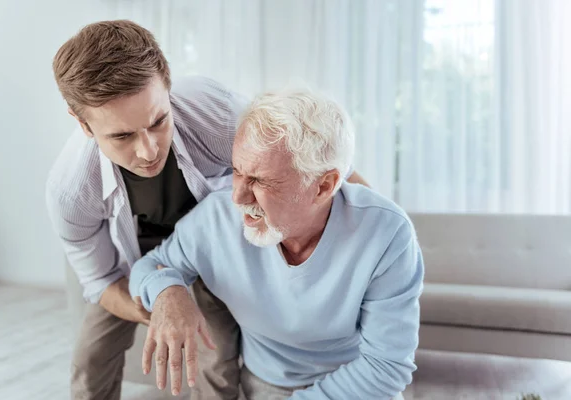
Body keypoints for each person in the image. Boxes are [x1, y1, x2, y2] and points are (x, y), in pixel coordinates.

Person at [46, 19, 368, 400]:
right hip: (128, 267)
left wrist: (375, 231)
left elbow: (311, 163)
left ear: (168, 87)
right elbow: (101, 282)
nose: (149, 151)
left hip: (208, 248)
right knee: (91, 360)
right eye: (122, 135)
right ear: (82, 124)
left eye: (159, 121)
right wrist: (165, 298)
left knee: (214, 353)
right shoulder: (70, 191)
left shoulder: (211, 109)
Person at [130, 88, 424, 399]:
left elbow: (385, 367)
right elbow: (147, 266)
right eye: (237, 172)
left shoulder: (387, 232)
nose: (238, 197)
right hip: (266, 385)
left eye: (260, 181)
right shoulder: (216, 219)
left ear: (324, 186)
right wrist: (166, 290)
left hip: (358, 386)